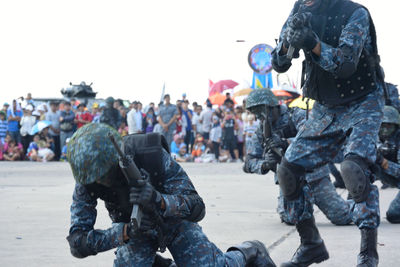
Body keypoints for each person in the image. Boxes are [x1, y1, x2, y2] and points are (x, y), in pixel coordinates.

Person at [66, 123, 275, 267]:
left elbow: (196, 206)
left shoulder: (151, 155)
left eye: (105, 173)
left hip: (175, 223)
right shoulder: (87, 179)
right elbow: (78, 243)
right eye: (96, 177)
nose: (101, 180)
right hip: (136, 232)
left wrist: (160, 200)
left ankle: (250, 250)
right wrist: (123, 232)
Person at [272, 0, 384, 265]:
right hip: (326, 106)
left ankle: (369, 253)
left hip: (363, 101)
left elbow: (346, 65)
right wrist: (289, 43)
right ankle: (311, 244)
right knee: (288, 170)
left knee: (354, 169)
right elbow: (279, 63)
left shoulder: (354, 13)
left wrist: (312, 42)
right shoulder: (300, 9)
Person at [243, 89, 352, 227]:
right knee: (292, 218)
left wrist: (285, 142)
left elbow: (314, 138)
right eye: (256, 113)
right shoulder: (261, 131)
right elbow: (248, 162)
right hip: (289, 181)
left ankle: (359, 200)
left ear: (273, 106)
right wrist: (265, 165)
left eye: (262, 111)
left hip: (314, 177)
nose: (261, 117)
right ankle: (300, 206)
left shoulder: (296, 115)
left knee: (342, 217)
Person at [375, 106, 400, 223]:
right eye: (382, 126)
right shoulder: (373, 137)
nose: (384, 130)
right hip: (386, 175)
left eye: (389, 126)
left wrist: (384, 162)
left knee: (394, 215)